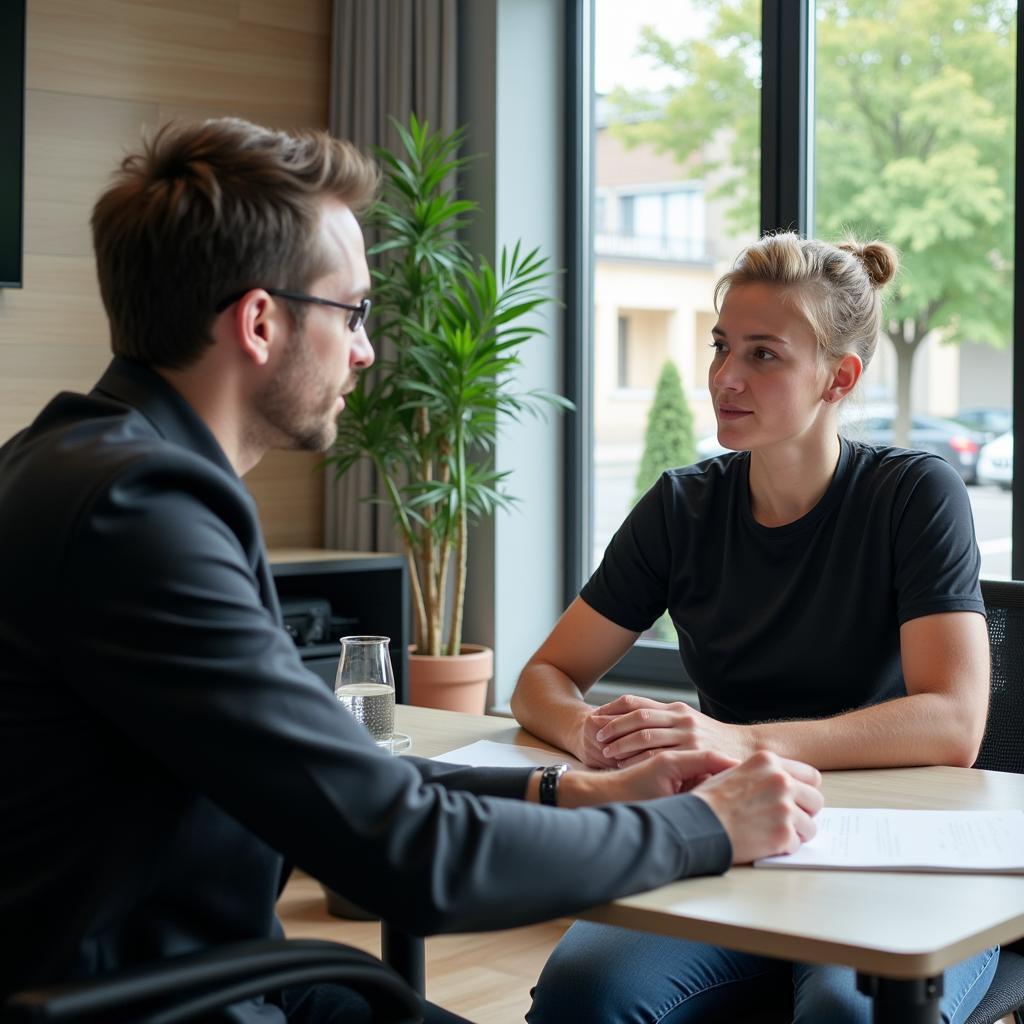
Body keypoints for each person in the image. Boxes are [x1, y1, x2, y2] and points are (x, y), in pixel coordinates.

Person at [0, 119, 824, 1024]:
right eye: (351, 312)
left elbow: (341, 770)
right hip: (151, 1002)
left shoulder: (77, 464)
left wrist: (574, 787)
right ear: (261, 321)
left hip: (195, 970)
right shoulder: (140, 514)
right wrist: (709, 827)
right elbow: (407, 852)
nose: (366, 350)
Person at [512, 233, 998, 1024]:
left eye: (764, 355)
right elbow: (541, 680)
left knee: (851, 1013)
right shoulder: (681, 506)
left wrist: (740, 742)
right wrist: (590, 733)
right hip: (739, 838)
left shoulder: (915, 495)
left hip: (902, 858)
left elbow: (954, 723)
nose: (725, 378)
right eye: (721, 347)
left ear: (839, 377)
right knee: (584, 994)